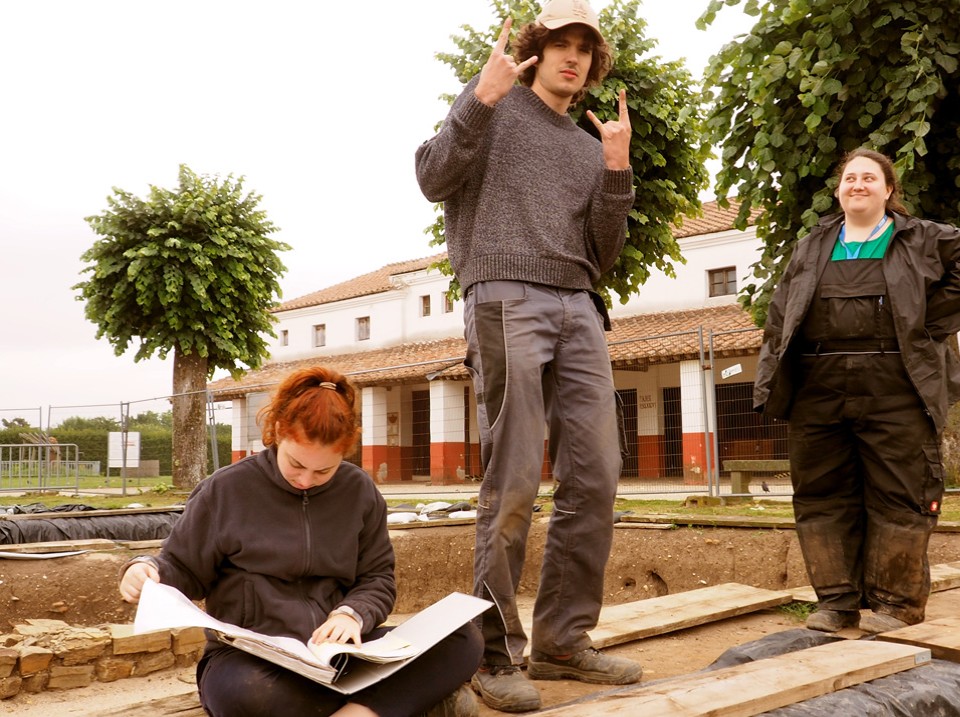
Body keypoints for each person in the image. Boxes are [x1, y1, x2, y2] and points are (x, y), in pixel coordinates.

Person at [414, 0, 640, 712]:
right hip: (505, 294)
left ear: (593, 65)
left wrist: (615, 171)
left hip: (579, 304)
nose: (572, 57)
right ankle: (489, 650)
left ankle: (565, 641)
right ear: (537, 50)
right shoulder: (495, 109)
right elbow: (431, 175)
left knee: (598, 472)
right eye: (560, 43)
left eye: (584, 49)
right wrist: (478, 100)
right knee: (512, 478)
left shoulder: (585, 144)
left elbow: (602, 253)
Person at [118, 367, 482, 717]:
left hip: (345, 655)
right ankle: (400, 703)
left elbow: (377, 579)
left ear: (346, 451)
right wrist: (147, 569)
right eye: (295, 464)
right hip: (254, 660)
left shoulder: (359, 491)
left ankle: (359, 711)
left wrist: (351, 614)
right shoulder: (225, 489)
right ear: (277, 431)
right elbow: (183, 567)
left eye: (324, 470)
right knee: (247, 695)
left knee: (463, 640)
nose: (306, 479)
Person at [753, 148, 960, 635]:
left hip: (897, 382)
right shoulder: (811, 246)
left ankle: (896, 604)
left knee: (901, 492)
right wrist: (770, 380)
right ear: (839, 190)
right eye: (850, 178)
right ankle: (836, 602)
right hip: (818, 385)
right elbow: (780, 317)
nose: (858, 185)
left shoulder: (922, 238)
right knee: (822, 494)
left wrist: (924, 321)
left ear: (889, 191)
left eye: (870, 178)